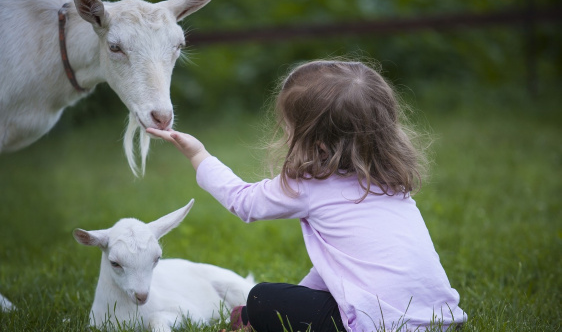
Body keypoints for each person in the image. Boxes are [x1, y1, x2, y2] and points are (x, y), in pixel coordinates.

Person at [147, 60, 467, 332]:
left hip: (375, 323)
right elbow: (341, 267)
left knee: (261, 298)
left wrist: (199, 154)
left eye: (289, 128)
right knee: (286, 298)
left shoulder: (310, 185)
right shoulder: (391, 183)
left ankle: (248, 318)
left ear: (319, 145)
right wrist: (299, 295)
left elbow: (243, 202)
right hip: (435, 317)